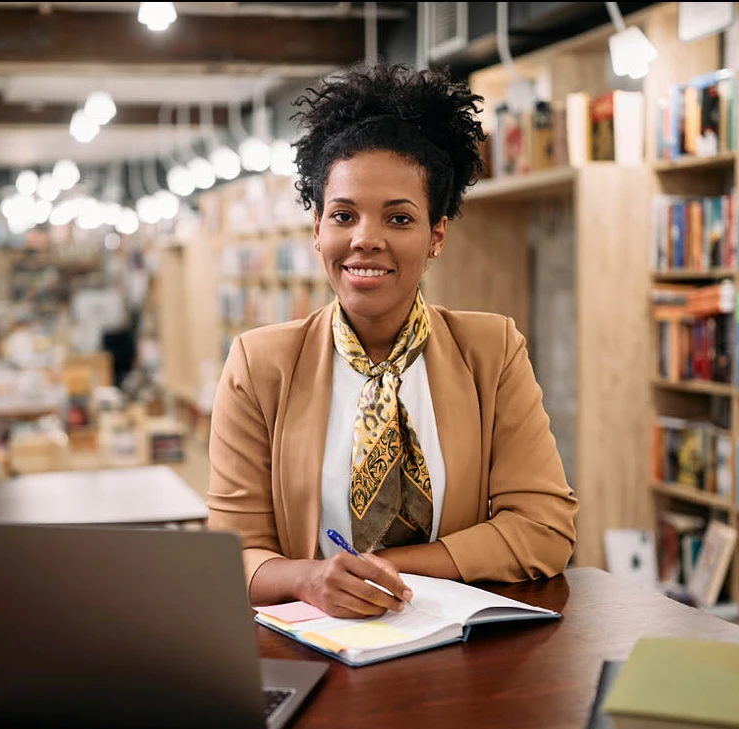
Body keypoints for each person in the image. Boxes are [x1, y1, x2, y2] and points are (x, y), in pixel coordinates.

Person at [208, 61, 578, 625]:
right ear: (317, 229)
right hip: (318, 644)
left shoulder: (492, 351)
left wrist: (385, 570)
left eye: (399, 219)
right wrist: (311, 579)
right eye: (343, 215)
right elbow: (232, 555)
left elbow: (543, 529)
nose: (366, 239)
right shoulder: (259, 365)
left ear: (436, 235)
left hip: (455, 644)